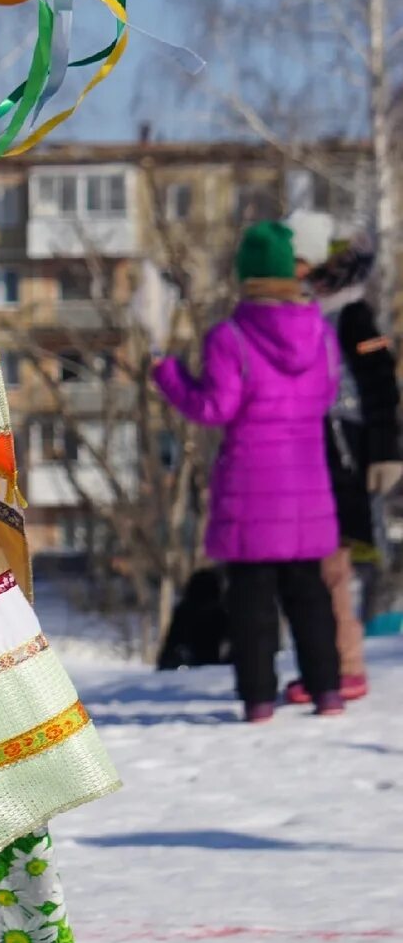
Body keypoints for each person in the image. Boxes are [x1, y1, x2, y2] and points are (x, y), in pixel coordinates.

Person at [153, 220, 342, 723]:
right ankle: (328, 692)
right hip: (307, 482)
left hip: (252, 485)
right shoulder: (322, 333)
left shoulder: (231, 336)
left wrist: (167, 372)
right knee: (309, 594)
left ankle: (259, 700)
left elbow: (213, 407)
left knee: (253, 601)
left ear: (247, 275)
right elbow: (326, 397)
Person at [287, 237, 403, 704]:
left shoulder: (353, 315)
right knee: (312, 568)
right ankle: (326, 666)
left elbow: (379, 383)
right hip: (309, 453)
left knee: (332, 564)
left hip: (345, 457)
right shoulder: (306, 318)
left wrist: (386, 452)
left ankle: (345, 665)